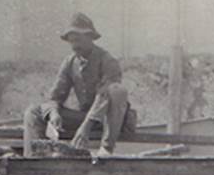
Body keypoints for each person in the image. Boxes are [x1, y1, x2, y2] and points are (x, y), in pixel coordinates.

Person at [23, 12, 132, 157]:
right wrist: (54, 113)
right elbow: (54, 97)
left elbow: (104, 96)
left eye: (78, 40)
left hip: (110, 121)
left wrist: (85, 128)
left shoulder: (107, 60)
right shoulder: (70, 62)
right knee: (34, 112)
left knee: (117, 90)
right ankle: (36, 161)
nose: (74, 45)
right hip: (85, 118)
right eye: (71, 41)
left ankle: (106, 150)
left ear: (90, 37)